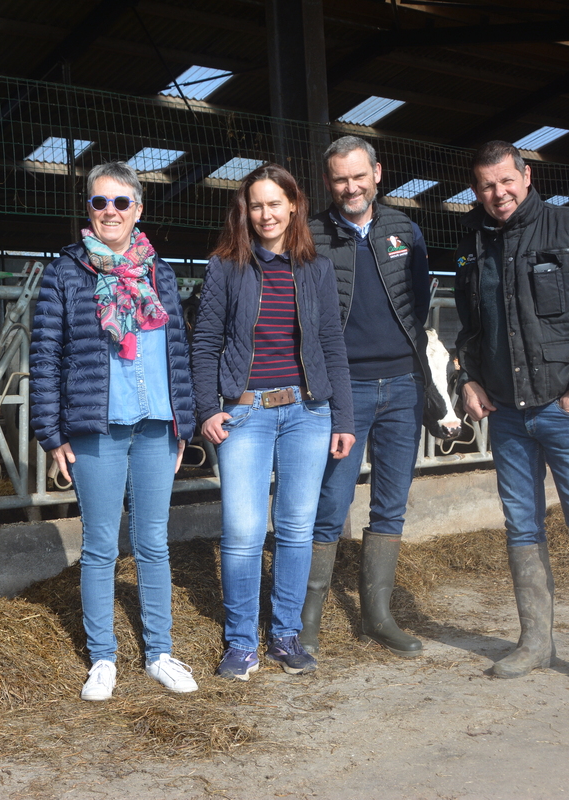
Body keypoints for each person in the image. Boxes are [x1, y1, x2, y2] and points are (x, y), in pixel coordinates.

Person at [453, 141, 569, 698]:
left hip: (565, 409)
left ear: (526, 176)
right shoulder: (476, 243)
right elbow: (470, 326)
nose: (497, 194)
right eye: (485, 186)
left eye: (505, 181)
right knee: (522, 525)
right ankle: (535, 643)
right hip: (508, 414)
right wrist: (468, 379)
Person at [29, 161, 198, 701]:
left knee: (153, 541)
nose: (110, 212)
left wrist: (183, 425)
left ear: (138, 211)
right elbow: (46, 356)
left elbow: (178, 354)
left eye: (121, 203)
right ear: (89, 210)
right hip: (95, 426)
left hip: (155, 423)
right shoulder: (65, 273)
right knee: (101, 544)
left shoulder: (160, 275)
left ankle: (160, 652)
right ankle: (103, 658)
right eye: (100, 202)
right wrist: (51, 434)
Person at [192, 163, 355, 681]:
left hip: (308, 413)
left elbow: (332, 344)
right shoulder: (225, 267)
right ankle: (241, 642)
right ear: (246, 210)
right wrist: (206, 409)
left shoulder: (316, 268)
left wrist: (343, 417)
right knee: (241, 530)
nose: (266, 213)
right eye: (256, 204)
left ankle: (284, 635)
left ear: (293, 206)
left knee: (294, 528)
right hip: (245, 412)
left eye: (275, 203)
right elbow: (204, 343)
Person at [301, 135, 435, 658]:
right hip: (346, 390)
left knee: (390, 505)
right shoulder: (311, 234)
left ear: (378, 173)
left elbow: (417, 300)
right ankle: (306, 620)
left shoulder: (404, 229)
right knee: (330, 502)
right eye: (339, 179)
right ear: (328, 182)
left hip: (404, 384)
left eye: (359, 176)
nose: (351, 187)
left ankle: (377, 616)